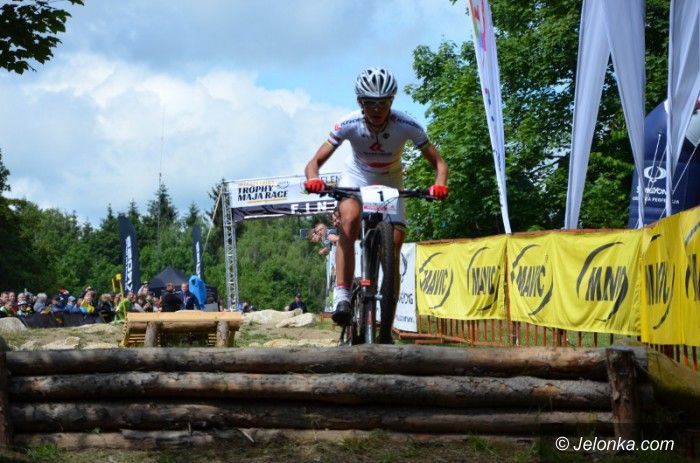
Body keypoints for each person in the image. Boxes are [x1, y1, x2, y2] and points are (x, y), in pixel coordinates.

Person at [304, 67, 448, 343]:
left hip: (390, 181)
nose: (377, 109)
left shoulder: (406, 124)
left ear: (392, 101)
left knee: (394, 244)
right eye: (370, 102)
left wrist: (439, 184)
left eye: (384, 102)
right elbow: (314, 163)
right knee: (349, 220)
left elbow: (440, 164)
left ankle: (386, 327)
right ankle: (343, 296)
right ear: (360, 102)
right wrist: (313, 179)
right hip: (356, 177)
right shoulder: (348, 123)